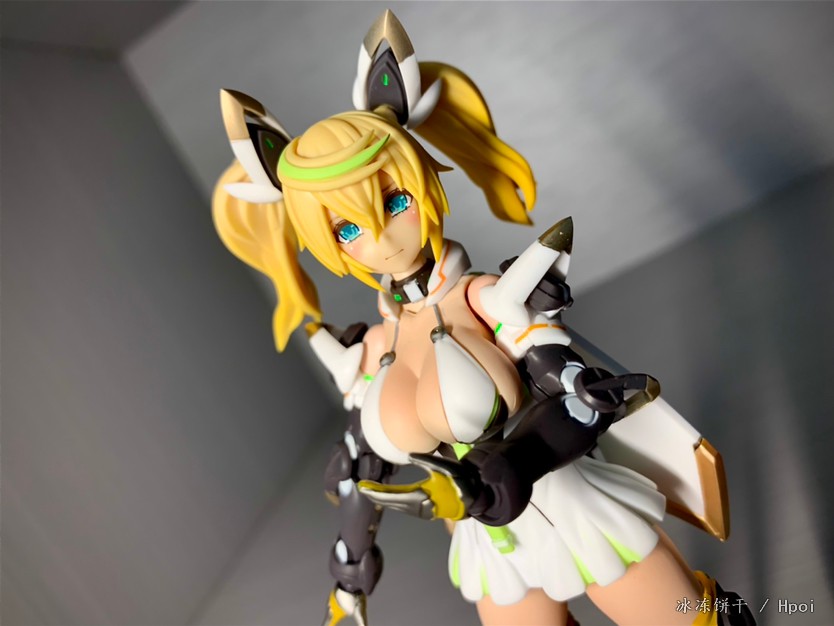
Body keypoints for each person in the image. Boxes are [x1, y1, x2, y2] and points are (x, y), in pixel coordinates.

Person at [212, 11, 753, 626]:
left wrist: (515, 465)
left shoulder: (490, 301)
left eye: (394, 200)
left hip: (575, 511)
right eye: (347, 230)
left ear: (422, 185)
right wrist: (349, 578)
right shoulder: (374, 350)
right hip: (495, 552)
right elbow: (360, 473)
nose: (381, 236)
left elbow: (584, 399)